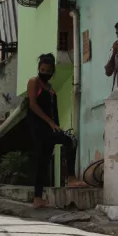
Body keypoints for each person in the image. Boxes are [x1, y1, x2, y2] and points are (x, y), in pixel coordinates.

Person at [28, 53, 84, 209]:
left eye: (48, 71)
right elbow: (33, 104)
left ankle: (38, 198)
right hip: (39, 128)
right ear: (39, 68)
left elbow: (53, 109)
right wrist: (50, 122)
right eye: (42, 69)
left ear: (53, 72)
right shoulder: (34, 82)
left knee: (44, 161)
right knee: (69, 140)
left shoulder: (50, 88)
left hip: (50, 127)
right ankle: (71, 177)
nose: (45, 73)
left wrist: (56, 124)